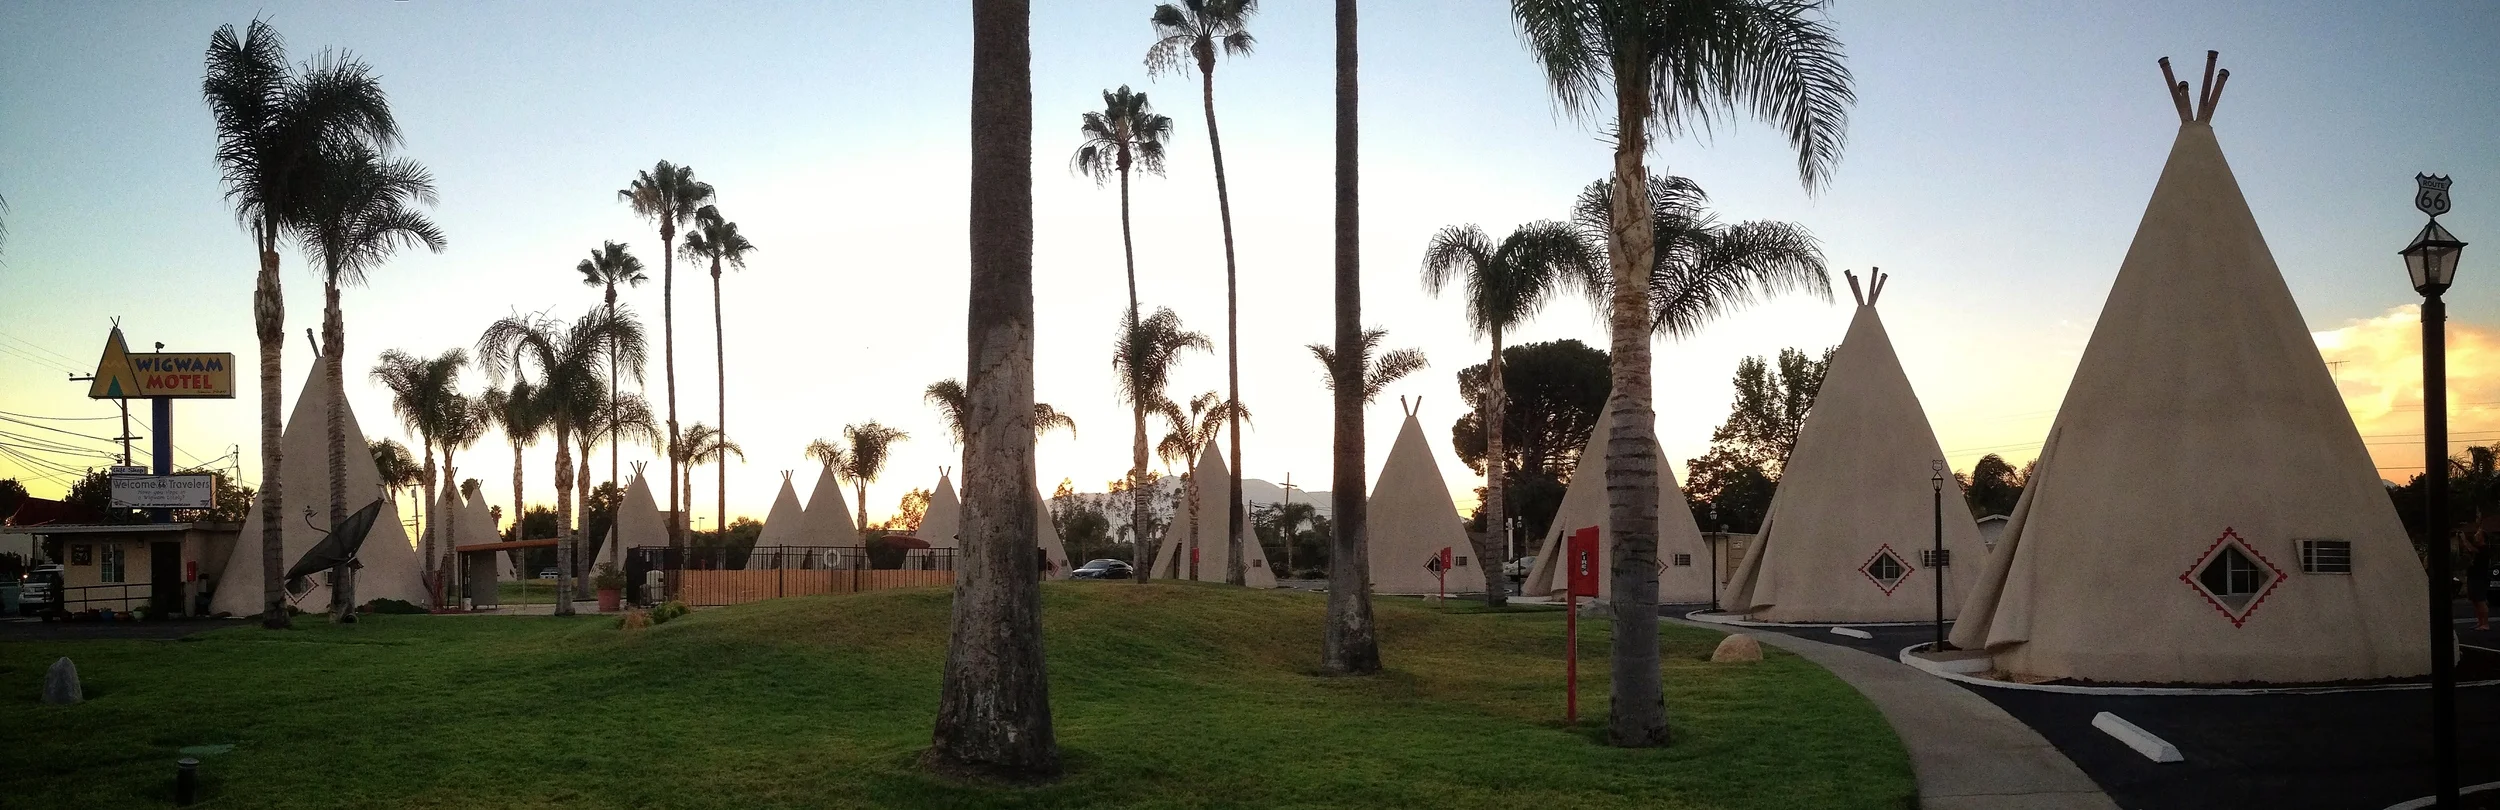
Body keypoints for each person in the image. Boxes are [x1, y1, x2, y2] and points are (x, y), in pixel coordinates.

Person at [2468, 529, 2494, 632]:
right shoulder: (2478, 548)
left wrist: (2464, 539)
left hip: (2479, 578)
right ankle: (2480, 622)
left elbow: (2470, 548)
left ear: (2482, 537)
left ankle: (2486, 624)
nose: (2475, 536)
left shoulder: (2484, 549)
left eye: (2477, 534)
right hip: (2473, 577)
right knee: (2475, 601)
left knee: (2480, 601)